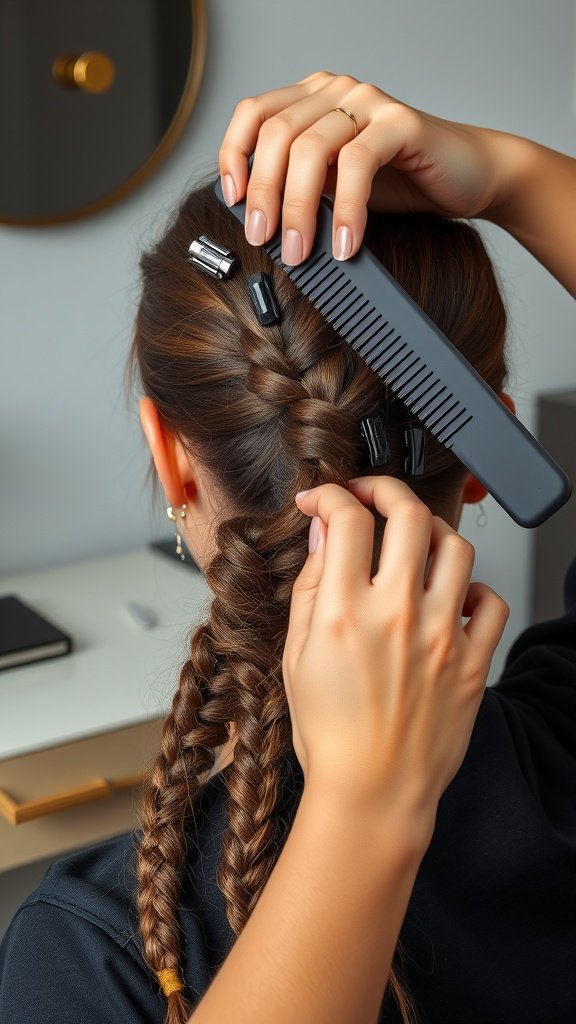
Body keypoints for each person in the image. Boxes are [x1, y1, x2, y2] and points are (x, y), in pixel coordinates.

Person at [0, 72, 574, 1024]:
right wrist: (513, 176)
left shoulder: (103, 957)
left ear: (170, 459)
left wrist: (365, 817)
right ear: (485, 455)